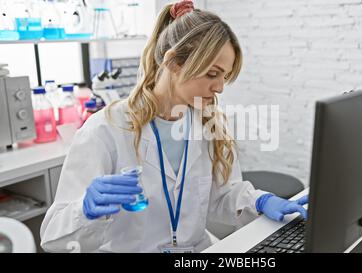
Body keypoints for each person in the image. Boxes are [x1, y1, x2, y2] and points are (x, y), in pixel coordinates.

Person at [40, 0, 308, 253]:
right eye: (212, 74)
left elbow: (221, 195)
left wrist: (259, 200)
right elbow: (52, 238)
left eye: (224, 76)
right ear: (173, 63)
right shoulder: (105, 130)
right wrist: (85, 211)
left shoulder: (207, 121)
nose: (220, 87)